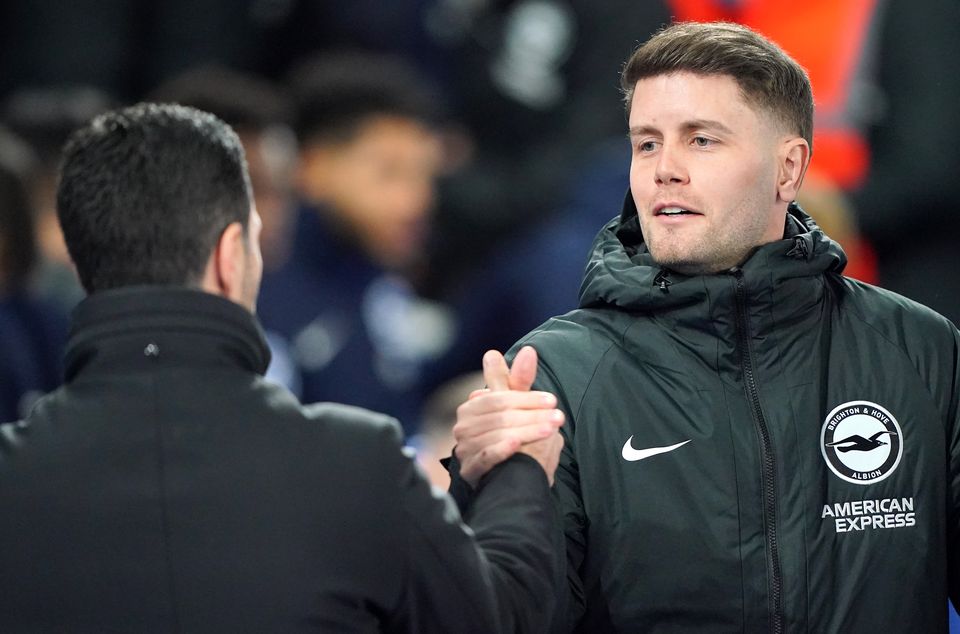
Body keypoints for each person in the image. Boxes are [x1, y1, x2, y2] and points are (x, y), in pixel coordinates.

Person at [448, 21, 960, 632]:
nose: (664, 169)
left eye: (701, 141)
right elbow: (505, 619)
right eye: (646, 144)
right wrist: (486, 491)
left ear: (789, 169)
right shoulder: (557, 374)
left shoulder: (920, 351)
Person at [0, 103, 565, 632]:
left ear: (80, 261)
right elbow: (498, 618)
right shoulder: (357, 465)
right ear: (229, 257)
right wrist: (515, 469)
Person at [257, 51, 451, 433]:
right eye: (389, 173)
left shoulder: (384, 286)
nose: (418, 200)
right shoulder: (258, 291)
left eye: (425, 176)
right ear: (311, 166)